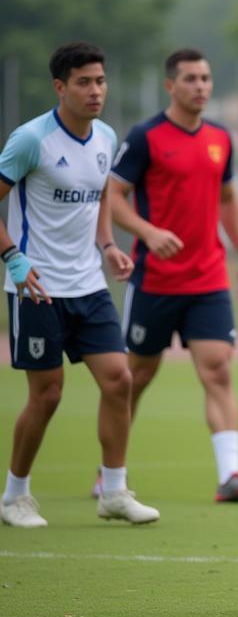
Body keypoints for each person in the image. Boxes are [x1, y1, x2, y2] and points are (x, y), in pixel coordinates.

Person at [0, 42, 160, 527]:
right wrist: (13, 259)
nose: (96, 91)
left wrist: (109, 246)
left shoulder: (106, 137)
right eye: (84, 82)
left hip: (89, 285)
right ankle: (15, 497)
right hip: (37, 287)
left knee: (120, 380)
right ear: (60, 87)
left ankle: (113, 491)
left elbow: (100, 202)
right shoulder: (31, 140)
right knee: (46, 395)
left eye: (101, 81)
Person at [107, 48, 238, 503]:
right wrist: (147, 232)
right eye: (191, 78)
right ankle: (110, 472)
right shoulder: (145, 137)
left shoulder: (219, 137)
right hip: (154, 280)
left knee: (217, 371)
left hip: (208, 279)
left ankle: (230, 475)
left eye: (206, 78)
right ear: (170, 86)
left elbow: (227, 199)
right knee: (134, 376)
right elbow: (114, 195)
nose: (200, 86)